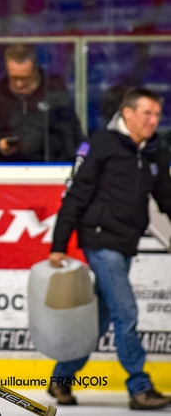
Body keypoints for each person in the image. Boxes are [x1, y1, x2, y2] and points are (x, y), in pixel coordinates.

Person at [47, 87, 171, 410]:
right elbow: (75, 194)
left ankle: (61, 379)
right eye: (147, 113)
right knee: (126, 311)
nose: (153, 120)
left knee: (100, 319)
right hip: (100, 241)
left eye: (157, 114)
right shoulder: (101, 144)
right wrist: (59, 244)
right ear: (127, 113)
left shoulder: (154, 150)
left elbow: (166, 197)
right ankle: (140, 388)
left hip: (126, 242)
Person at [0, 43, 83, 162]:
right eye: (14, 78)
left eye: (25, 78)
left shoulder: (55, 93)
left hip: (49, 168)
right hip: (6, 168)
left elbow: (72, 138)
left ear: (35, 71)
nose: (19, 84)